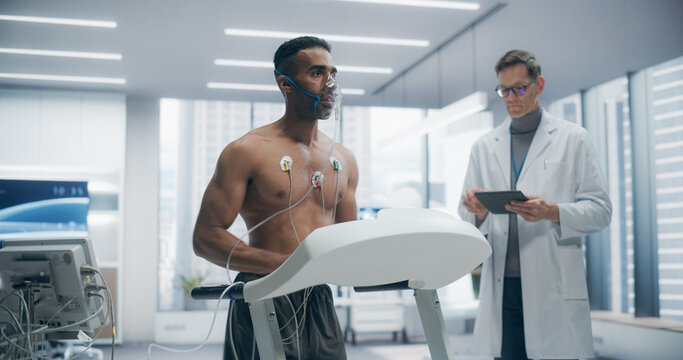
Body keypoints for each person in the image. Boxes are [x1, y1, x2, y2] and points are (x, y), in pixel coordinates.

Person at [193, 36, 358, 360]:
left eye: (332, 73)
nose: (331, 84)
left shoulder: (344, 158)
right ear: (286, 83)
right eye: (317, 73)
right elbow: (205, 238)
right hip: (264, 292)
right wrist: (287, 266)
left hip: (318, 297)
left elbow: (348, 240)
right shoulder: (247, 151)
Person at [459, 50, 612, 360]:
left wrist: (553, 212)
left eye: (519, 88)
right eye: (504, 90)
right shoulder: (484, 147)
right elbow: (466, 219)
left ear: (539, 85)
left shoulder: (574, 139)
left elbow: (601, 211)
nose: (511, 97)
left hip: (552, 286)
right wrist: (477, 211)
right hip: (503, 291)